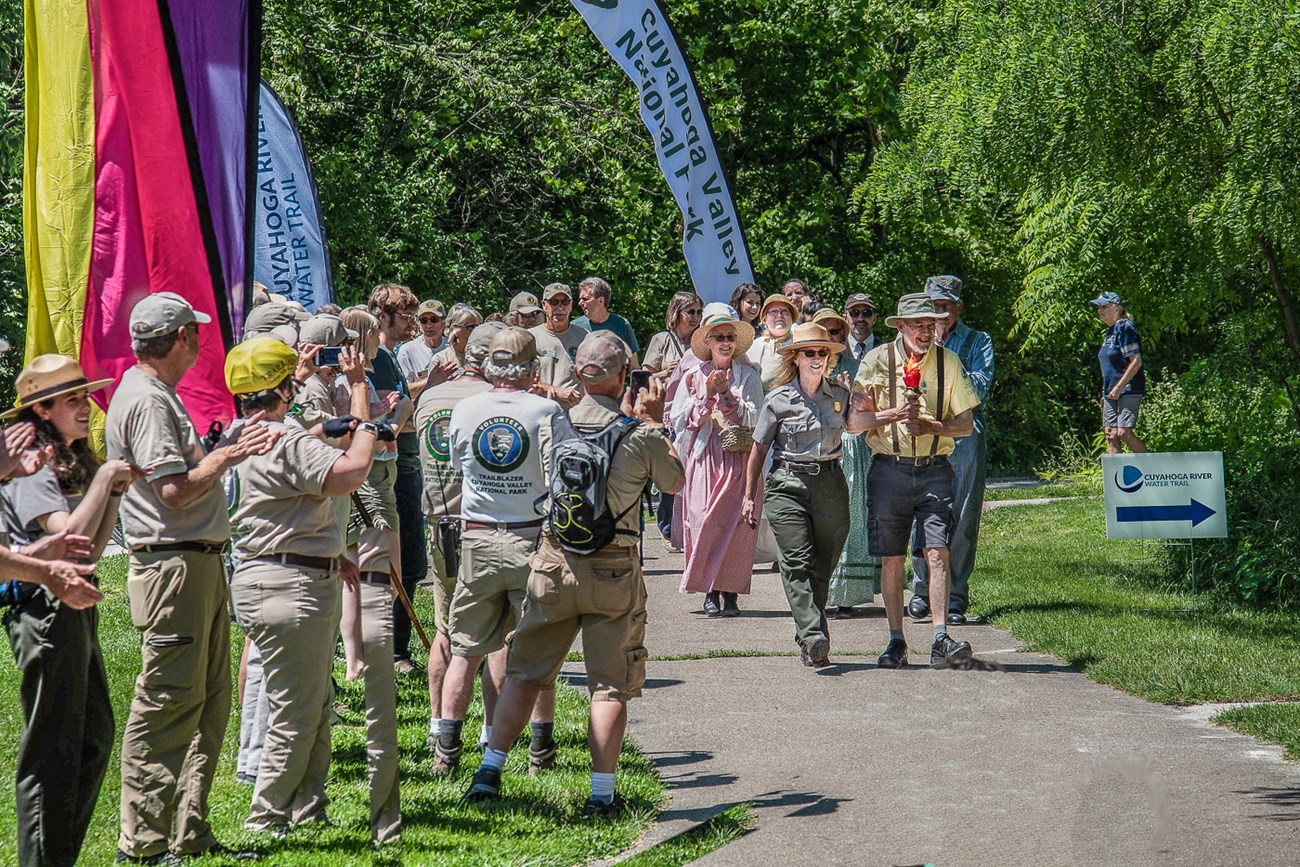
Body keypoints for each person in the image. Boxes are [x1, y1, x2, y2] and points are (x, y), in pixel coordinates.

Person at [464, 330, 685, 814]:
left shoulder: (551, 422)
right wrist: (654, 421)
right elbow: (675, 481)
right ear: (624, 375)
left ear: (577, 373)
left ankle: (489, 770)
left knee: (524, 673)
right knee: (608, 686)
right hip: (613, 569)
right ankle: (601, 795)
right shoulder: (639, 434)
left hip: (554, 560)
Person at [107, 292, 271, 862]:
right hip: (174, 564)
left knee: (206, 701)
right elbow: (173, 492)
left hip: (194, 563)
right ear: (180, 339)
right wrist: (227, 458)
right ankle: (145, 844)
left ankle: (187, 833)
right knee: (168, 703)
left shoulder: (156, 395)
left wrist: (222, 449)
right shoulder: (148, 400)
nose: (200, 343)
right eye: (194, 333)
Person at [224, 336, 378, 837]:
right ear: (286, 387)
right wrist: (369, 428)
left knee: (312, 702)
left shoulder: (235, 435)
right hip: (293, 584)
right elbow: (348, 473)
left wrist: (318, 429)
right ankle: (264, 820)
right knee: (295, 710)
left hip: (260, 575)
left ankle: (308, 808)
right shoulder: (287, 441)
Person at [1, 356, 133, 867]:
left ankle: (57, 858)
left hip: (73, 600)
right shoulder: (29, 462)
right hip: (42, 608)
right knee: (53, 747)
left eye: (86, 396)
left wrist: (113, 490)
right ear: (42, 409)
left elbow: (90, 554)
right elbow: (66, 540)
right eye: (74, 400)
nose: (87, 407)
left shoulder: (70, 457)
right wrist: (104, 485)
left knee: (94, 736)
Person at [434, 328, 572, 775]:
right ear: (534, 368)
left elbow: (458, 465)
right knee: (536, 650)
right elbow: (564, 474)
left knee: (465, 650)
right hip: (531, 539)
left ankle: (446, 755)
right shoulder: (546, 410)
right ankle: (539, 752)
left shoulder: (467, 408)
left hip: (476, 538)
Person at [847, 292, 981, 669]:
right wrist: (892, 414)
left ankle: (940, 638)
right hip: (889, 468)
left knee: (936, 551)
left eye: (931, 323)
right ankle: (896, 640)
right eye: (918, 324)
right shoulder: (874, 361)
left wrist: (932, 425)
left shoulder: (949, 362)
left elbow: (966, 424)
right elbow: (856, 424)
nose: (926, 331)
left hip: (936, 468)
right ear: (901, 326)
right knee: (892, 557)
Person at [413, 321, 501, 753]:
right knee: (498, 635)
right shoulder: (492, 402)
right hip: (484, 526)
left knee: (446, 631)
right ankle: (491, 733)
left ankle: (437, 725)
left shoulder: (430, 396)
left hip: (438, 522)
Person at [743, 323, 851, 666]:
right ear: (796, 357)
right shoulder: (778, 399)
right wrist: (749, 495)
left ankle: (807, 633)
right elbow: (758, 450)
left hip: (831, 483)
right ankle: (814, 635)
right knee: (796, 560)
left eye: (822, 352)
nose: (816, 357)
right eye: (809, 352)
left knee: (825, 561)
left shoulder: (841, 395)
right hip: (787, 486)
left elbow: (861, 423)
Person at [336, 305, 403, 844]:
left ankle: (359, 654)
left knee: (362, 571)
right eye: (376, 331)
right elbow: (361, 443)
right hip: (368, 480)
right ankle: (360, 655)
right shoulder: (347, 382)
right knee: (367, 572)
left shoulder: (375, 370)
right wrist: (380, 420)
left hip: (378, 470)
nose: (383, 336)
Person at [909, 276, 995, 625]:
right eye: (934, 305)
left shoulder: (978, 341)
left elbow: (978, 389)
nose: (939, 312)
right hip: (924, 435)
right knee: (922, 511)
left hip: (964, 437)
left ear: (959, 307)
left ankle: (955, 596)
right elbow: (907, 384)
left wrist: (943, 360)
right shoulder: (914, 338)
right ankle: (920, 590)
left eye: (945, 305)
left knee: (961, 515)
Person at [672, 307, 761, 616]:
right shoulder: (692, 375)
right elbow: (681, 422)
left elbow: (755, 417)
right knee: (702, 520)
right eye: (719, 337)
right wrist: (708, 395)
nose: (725, 342)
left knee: (737, 527)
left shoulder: (748, 375)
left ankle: (730, 592)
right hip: (705, 455)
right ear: (707, 342)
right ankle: (708, 589)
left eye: (729, 337)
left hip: (738, 456)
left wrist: (727, 395)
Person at [367, 284, 427, 677]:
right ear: (383, 315)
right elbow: (391, 423)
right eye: (406, 316)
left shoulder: (386, 355)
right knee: (402, 562)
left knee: (407, 562)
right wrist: (404, 409)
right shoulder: (384, 359)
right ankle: (394, 652)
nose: (413, 325)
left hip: (405, 464)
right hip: (397, 468)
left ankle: (389, 649)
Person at [817, 300, 881, 618]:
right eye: (825, 333)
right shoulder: (810, 368)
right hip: (816, 451)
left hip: (852, 449)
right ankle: (817, 591)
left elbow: (861, 412)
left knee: (851, 518)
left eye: (835, 332)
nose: (831, 338)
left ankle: (845, 594)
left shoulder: (852, 365)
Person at [643, 291, 703, 544]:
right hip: (665, 414)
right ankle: (668, 528)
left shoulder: (701, 342)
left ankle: (687, 526)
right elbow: (643, 379)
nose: (696, 317)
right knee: (669, 468)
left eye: (699, 312)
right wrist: (665, 373)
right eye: (691, 312)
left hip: (692, 413)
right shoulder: (662, 340)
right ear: (676, 314)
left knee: (693, 472)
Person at [1091, 291, 1148, 454]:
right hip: (1111, 391)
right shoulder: (1110, 331)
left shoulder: (1124, 327)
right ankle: (1114, 477)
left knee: (1124, 432)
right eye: (1098, 307)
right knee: (1111, 433)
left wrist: (1119, 387)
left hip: (1128, 389)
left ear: (1116, 308)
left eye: (1105, 306)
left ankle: (1152, 470)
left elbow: (1136, 361)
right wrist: (1107, 391)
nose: (1100, 310)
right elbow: (1110, 367)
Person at [573, 276, 640, 368]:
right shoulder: (575, 326)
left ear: (600, 301)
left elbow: (634, 364)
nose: (580, 303)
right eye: (580, 299)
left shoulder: (621, 324)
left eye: (585, 299)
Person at [397, 299, 453, 390]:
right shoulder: (407, 351)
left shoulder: (452, 347)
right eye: (424, 320)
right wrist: (431, 381)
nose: (429, 325)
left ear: (444, 322)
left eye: (434, 319)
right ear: (418, 324)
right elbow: (404, 390)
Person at [746, 294, 798, 391]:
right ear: (764, 319)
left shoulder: (801, 345)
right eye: (774, 311)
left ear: (792, 318)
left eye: (784, 311)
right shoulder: (754, 347)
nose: (779, 315)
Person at [533, 283, 588, 361]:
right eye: (554, 302)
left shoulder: (584, 337)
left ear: (571, 305)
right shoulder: (531, 337)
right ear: (544, 305)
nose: (560, 307)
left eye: (565, 302)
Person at [430, 304, 485, 376]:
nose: (476, 331)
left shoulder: (484, 357)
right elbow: (433, 385)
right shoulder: (440, 360)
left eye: (478, 327)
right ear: (455, 330)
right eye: (471, 327)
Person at [844, 293, 879, 362]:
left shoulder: (887, 352)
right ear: (845, 318)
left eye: (866, 313)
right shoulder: (836, 352)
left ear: (874, 319)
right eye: (854, 313)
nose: (860, 319)